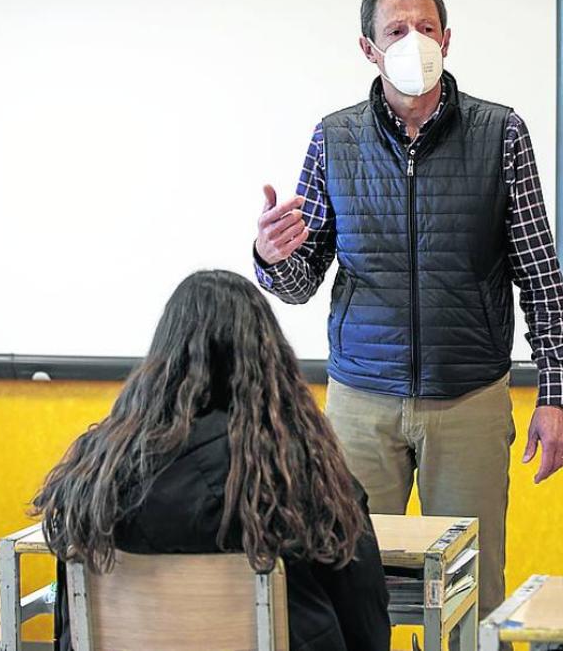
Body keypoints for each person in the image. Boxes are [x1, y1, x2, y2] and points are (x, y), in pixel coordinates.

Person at [252, 0, 563, 615]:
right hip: (359, 405)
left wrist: (556, 394)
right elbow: (301, 280)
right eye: (395, 30)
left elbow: (539, 272)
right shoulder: (334, 138)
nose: (413, 42)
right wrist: (269, 258)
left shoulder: (501, 134)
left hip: (469, 400)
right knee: (344, 584)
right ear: (368, 49)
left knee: (472, 591)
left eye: (425, 28)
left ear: (448, 38)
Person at [33, 270, 390, 651]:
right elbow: (364, 626)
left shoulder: (96, 471)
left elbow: (70, 629)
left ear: (162, 357)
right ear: (268, 358)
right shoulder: (298, 471)